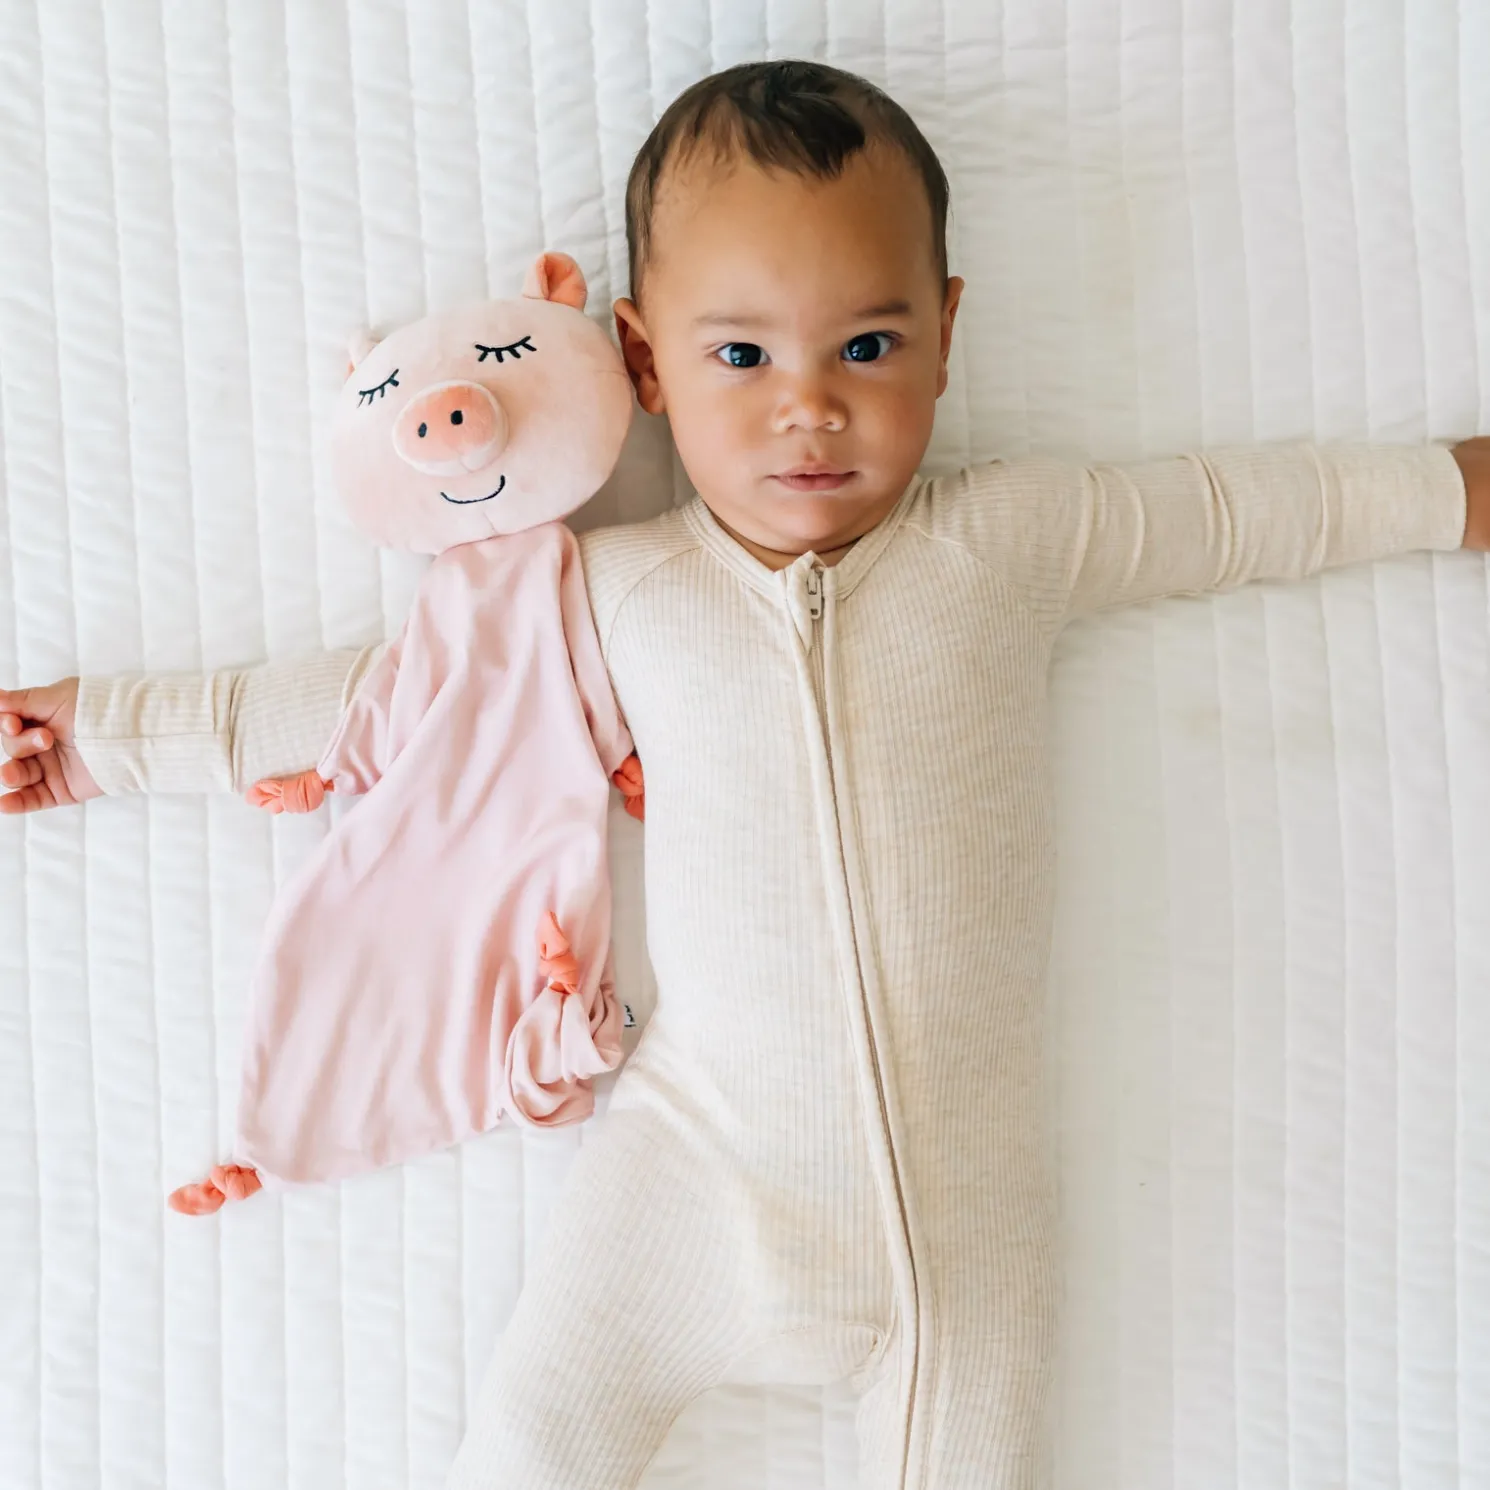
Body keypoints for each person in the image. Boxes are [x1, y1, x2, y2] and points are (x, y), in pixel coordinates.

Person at [3, 59, 1488, 1490]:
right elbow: (390, 702)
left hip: (964, 1225)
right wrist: (97, 738)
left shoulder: (1012, 536)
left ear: (946, 331)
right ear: (646, 361)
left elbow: (1238, 511)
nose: (808, 406)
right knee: (533, 1442)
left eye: (867, 347)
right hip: (694, 1166)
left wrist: (1450, 489)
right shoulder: (615, 594)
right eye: (741, 356)